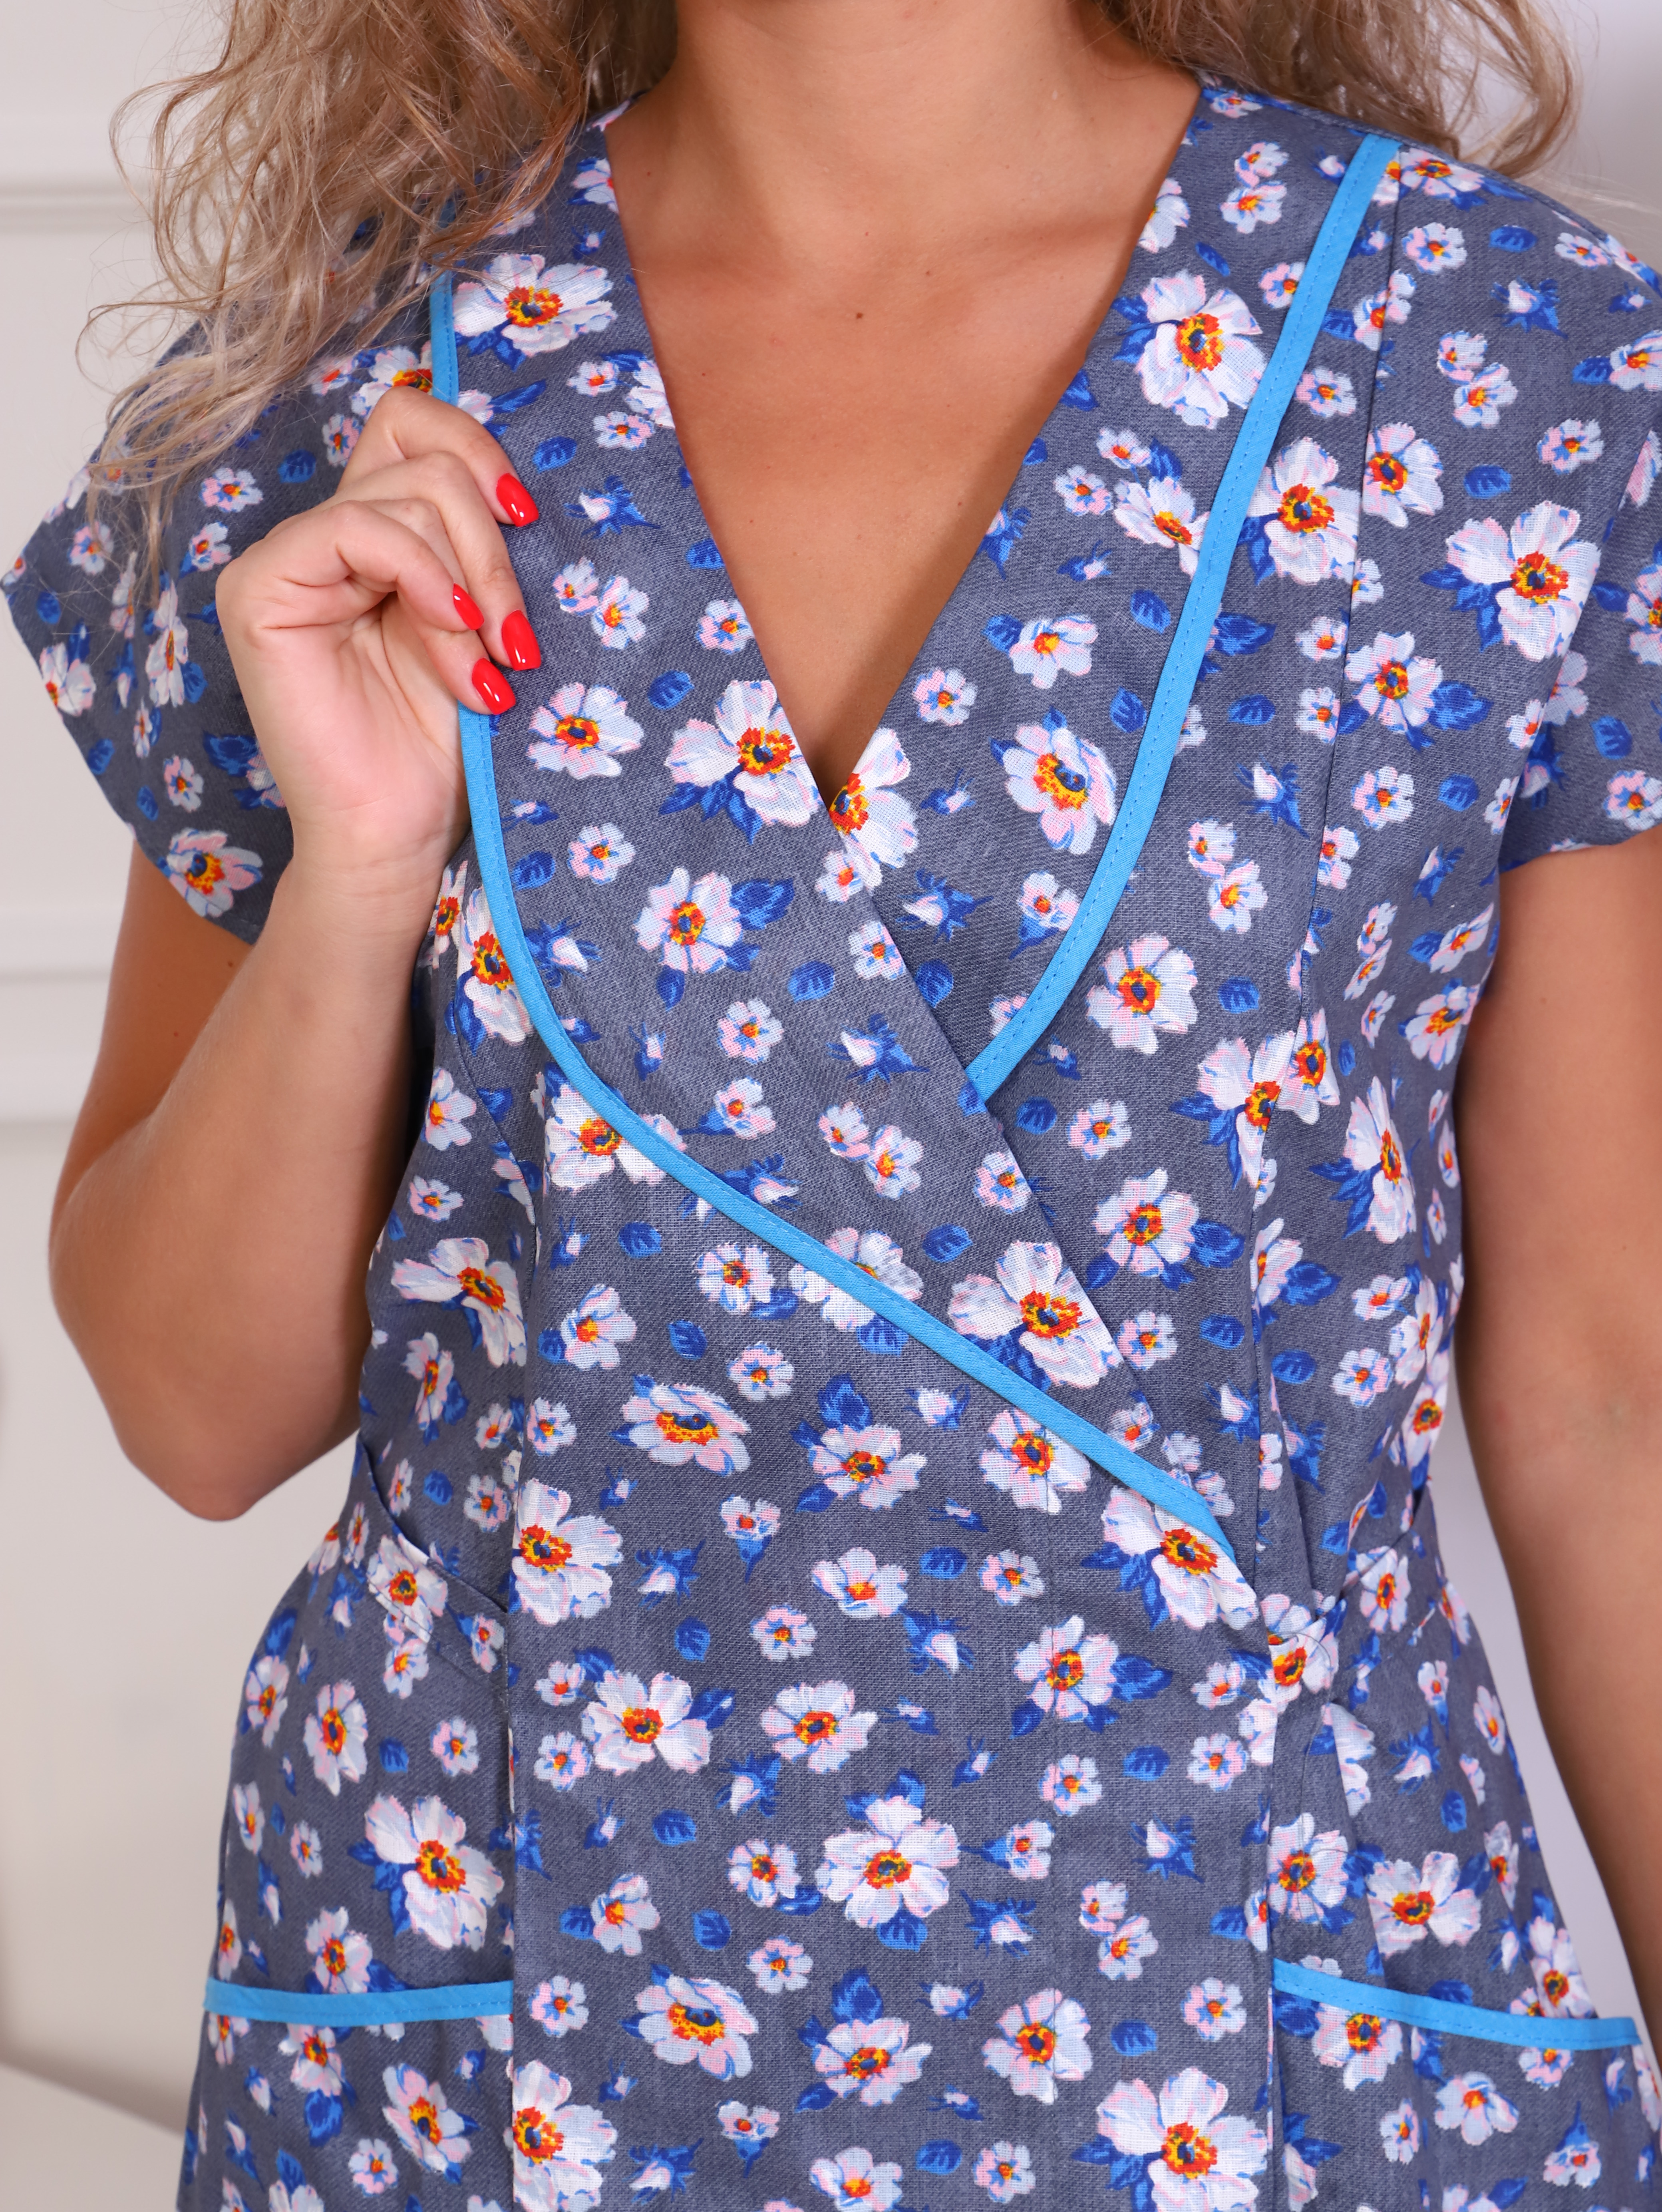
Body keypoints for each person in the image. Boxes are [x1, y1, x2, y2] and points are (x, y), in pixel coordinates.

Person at [10, 0, 1662, 2204]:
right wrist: (359, 877)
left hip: (1278, 2015)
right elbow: (194, 1416)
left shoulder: (1506, 368)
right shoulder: (331, 404)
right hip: (497, 2027)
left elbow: (1609, 1404)